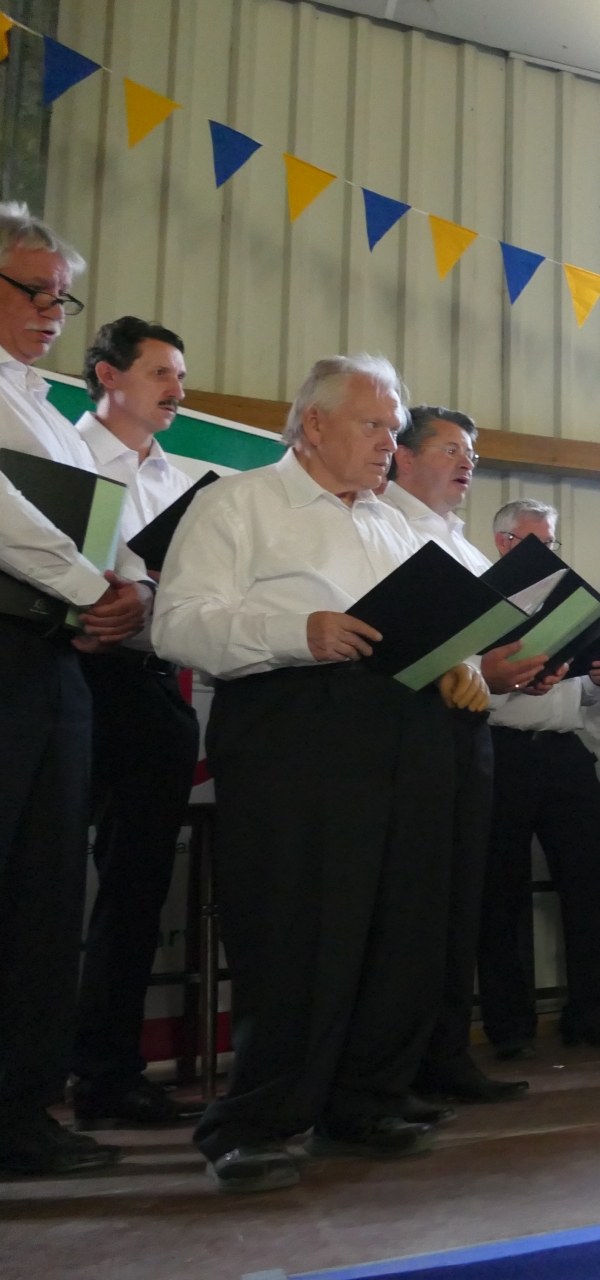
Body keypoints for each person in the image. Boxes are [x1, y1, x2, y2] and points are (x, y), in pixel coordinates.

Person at [154, 354, 491, 1194]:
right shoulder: (236, 503)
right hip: (296, 724)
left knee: (401, 923)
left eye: (393, 428)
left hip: (405, 726)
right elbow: (178, 625)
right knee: (297, 926)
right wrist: (296, 631)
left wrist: (459, 659)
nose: (388, 444)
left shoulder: (395, 526)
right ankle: (253, 1121)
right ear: (313, 424)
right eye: (374, 425)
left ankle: (363, 1100)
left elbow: (426, 620)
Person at [0, 208, 147, 1177]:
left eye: (63, 296)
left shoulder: (49, 408)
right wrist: (91, 586)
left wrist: (127, 591)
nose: (54, 309)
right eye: (34, 290)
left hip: (55, 656)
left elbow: (107, 519)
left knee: (46, 891)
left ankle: (20, 1108)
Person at [385, 409, 576, 1098]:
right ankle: (393, 1068)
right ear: (404, 458)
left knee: (457, 903)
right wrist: (481, 669)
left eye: (471, 452)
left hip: (468, 735)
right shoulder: (380, 527)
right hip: (404, 734)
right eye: (450, 449)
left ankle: (444, 1055)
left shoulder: (464, 549)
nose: (466, 461)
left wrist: (521, 671)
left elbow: (484, 660)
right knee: (409, 907)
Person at [66, 318, 203, 1131]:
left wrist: (151, 597)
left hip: (151, 689)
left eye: (180, 376)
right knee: (38, 881)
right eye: (160, 373)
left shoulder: (180, 485)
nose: (176, 390)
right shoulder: (63, 453)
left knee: (136, 890)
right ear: (107, 376)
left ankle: (107, 1072)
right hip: (68, 672)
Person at [470, 498, 600, 1057]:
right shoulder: (480, 602)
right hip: (504, 750)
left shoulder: (569, 602)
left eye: (552, 542)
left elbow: (583, 696)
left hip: (566, 751)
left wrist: (597, 678)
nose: (548, 553)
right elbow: (470, 688)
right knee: (501, 894)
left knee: (588, 885)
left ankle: (589, 1014)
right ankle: (509, 1027)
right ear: (504, 543)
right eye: (536, 542)